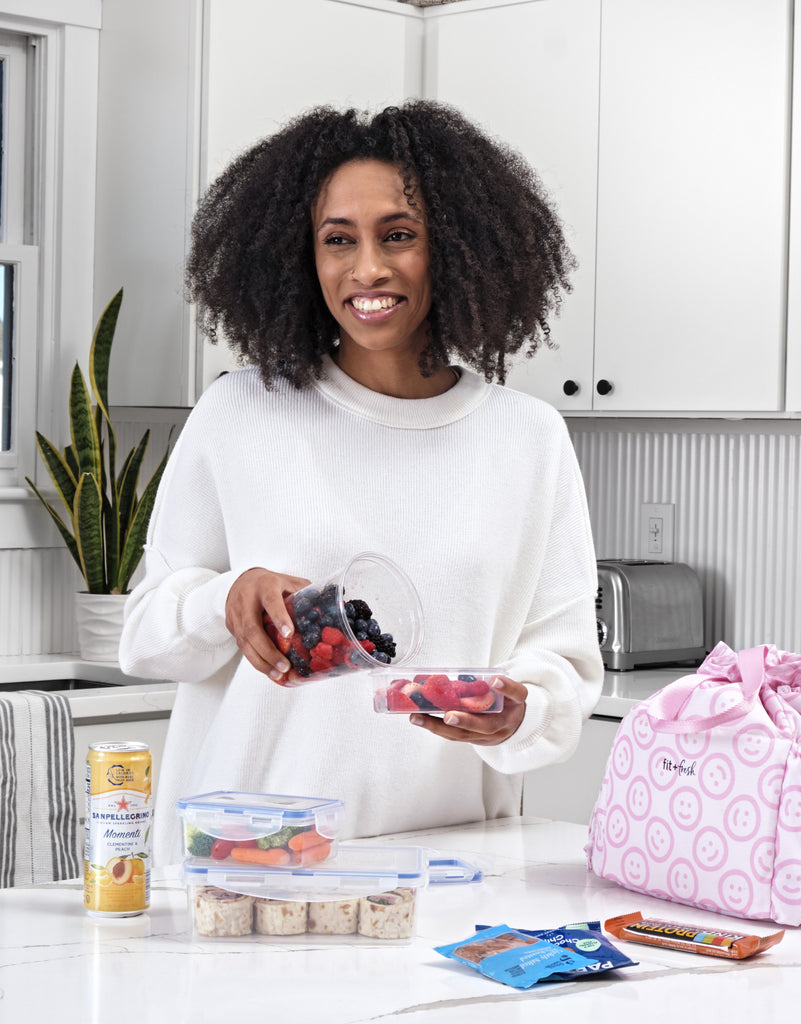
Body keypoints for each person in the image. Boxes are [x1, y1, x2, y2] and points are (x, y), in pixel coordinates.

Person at [119, 100, 604, 866]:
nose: (367, 269)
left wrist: (520, 710)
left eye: (400, 236)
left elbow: (566, 664)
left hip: (445, 864)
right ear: (298, 258)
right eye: (337, 240)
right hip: (252, 859)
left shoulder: (527, 436)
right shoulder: (241, 411)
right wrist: (228, 598)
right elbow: (145, 635)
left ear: (460, 249)